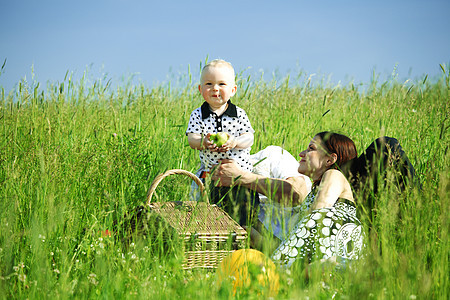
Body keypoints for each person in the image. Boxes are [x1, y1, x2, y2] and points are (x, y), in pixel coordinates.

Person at [212, 132, 365, 267]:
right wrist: (253, 235)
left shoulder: (334, 175)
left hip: (338, 253)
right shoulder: (312, 197)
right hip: (316, 257)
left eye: (311, 149)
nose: (301, 153)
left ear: (330, 159)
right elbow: (297, 240)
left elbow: (317, 215)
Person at [186, 59, 259, 227]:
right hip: (212, 174)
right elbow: (192, 139)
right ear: (200, 89)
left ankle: (244, 233)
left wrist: (235, 141)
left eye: (222, 84)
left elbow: (249, 137)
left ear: (233, 90)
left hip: (240, 174)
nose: (215, 89)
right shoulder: (198, 114)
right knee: (212, 211)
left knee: (245, 212)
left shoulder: (239, 114)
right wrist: (203, 142)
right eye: (209, 84)